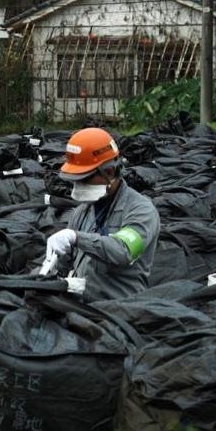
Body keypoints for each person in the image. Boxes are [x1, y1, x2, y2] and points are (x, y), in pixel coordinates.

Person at [45, 127, 160, 302]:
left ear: (109, 172)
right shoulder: (82, 212)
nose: (78, 188)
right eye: (75, 181)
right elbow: (64, 263)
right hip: (83, 306)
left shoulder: (141, 210)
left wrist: (76, 237)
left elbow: (123, 251)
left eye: (84, 179)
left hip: (122, 311)